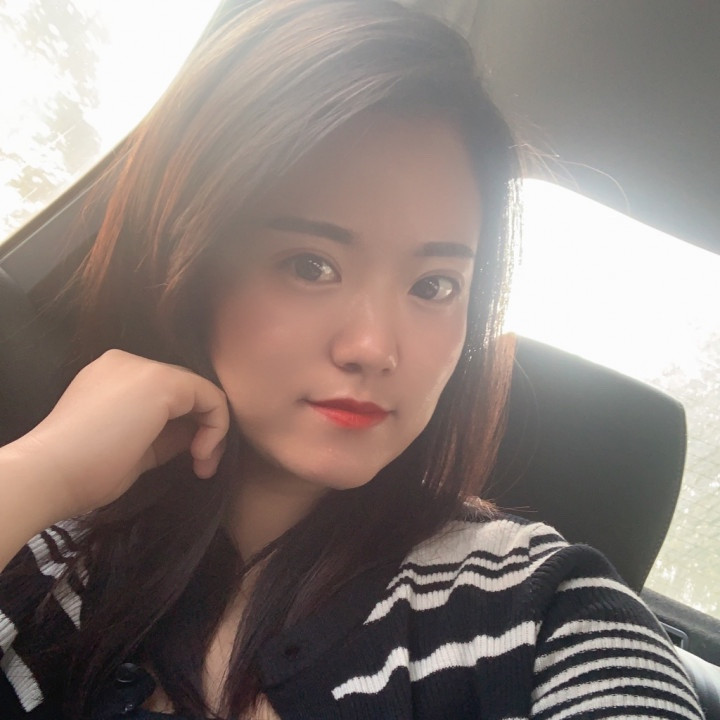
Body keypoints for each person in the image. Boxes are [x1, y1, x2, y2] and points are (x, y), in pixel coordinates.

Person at [0, 1, 705, 718]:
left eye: (434, 286)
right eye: (311, 265)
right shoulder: (53, 560)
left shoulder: (544, 609)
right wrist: (40, 470)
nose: (373, 348)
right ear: (192, 269)